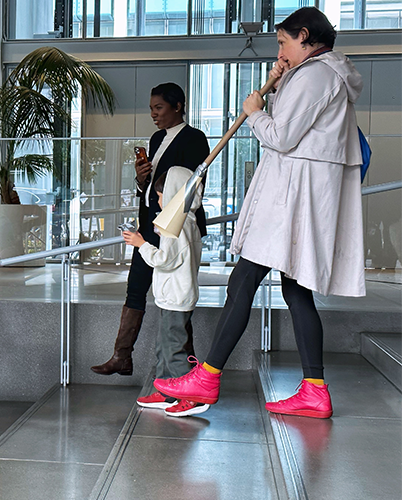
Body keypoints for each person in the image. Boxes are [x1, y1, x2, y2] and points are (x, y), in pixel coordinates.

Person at [155, 7, 364, 419]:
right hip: (299, 196)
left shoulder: (317, 75)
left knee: (246, 277)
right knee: (294, 288)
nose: (281, 51)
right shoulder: (321, 74)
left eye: (284, 42)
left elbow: (282, 136)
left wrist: (255, 112)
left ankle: (208, 375)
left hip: (291, 200)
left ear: (305, 36)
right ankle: (315, 389)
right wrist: (282, 82)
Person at [92, 82, 209, 376]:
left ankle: (185, 368)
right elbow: (153, 189)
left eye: (159, 108)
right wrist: (141, 178)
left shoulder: (195, 138)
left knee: (177, 295)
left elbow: (189, 187)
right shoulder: (156, 139)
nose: (154, 114)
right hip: (150, 225)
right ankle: (122, 356)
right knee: (137, 288)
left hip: (174, 227)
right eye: (151, 109)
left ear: (178, 106)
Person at [123, 169, 208, 417]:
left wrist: (141, 245)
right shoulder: (187, 222)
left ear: (172, 195)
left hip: (175, 297)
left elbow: (165, 260)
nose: (158, 201)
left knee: (173, 349)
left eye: (160, 196)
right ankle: (167, 390)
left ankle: (192, 396)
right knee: (165, 346)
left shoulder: (176, 226)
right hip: (176, 295)